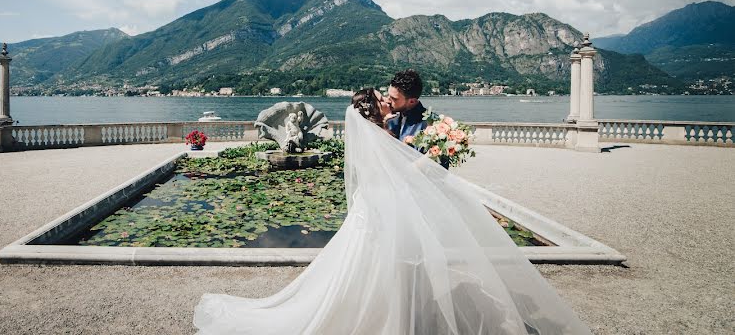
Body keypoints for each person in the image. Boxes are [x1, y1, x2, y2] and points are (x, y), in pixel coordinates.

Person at [193, 89, 592, 334]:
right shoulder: (381, 137)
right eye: (384, 101)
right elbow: (398, 173)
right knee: (377, 267)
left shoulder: (376, 135)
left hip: (375, 209)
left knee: (375, 270)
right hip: (380, 210)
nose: (389, 103)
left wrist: (434, 151)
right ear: (374, 111)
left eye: (390, 98)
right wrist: (436, 153)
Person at [386, 69, 427, 145]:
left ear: (412, 101)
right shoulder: (390, 122)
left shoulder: (429, 126)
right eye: (388, 95)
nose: (387, 100)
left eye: (394, 99)